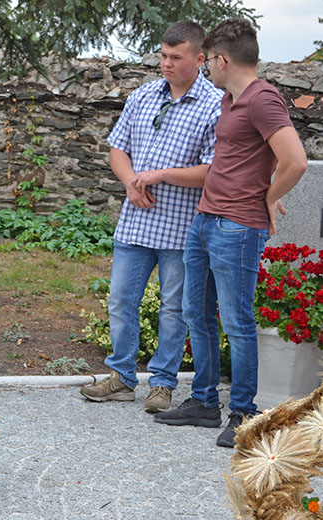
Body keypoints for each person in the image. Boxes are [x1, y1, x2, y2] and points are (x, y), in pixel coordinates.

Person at [154, 18, 308, 447]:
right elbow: (246, 158)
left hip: (237, 227)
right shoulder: (230, 99)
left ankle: (244, 414)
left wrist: (266, 197)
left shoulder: (263, 100)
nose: (207, 70)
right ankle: (204, 402)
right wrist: (265, 191)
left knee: (237, 324)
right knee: (196, 314)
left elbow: (293, 161)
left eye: (210, 62)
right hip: (205, 219)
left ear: (222, 59)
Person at [80, 20, 222, 413]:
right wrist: (130, 182)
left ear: (200, 58)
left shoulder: (214, 105)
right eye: (162, 55)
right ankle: (122, 377)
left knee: (174, 310)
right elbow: (117, 149)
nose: (166, 63)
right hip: (136, 222)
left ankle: (162, 384)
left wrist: (158, 175)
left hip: (181, 229)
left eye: (176, 57)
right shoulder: (142, 96)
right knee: (121, 302)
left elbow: (212, 170)